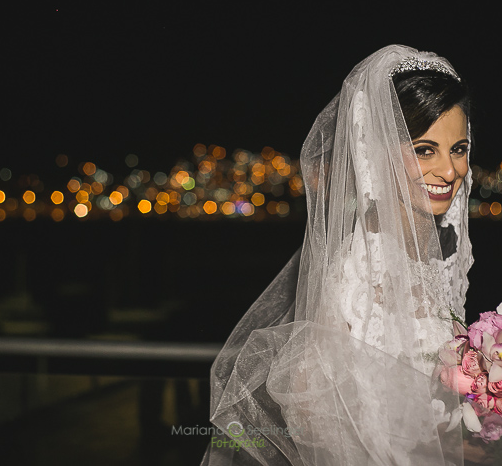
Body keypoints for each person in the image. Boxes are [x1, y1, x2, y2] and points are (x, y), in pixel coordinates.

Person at [200, 45, 472, 465]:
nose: (450, 170)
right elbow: (319, 424)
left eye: (458, 148)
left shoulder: (437, 258)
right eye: (424, 149)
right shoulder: (356, 274)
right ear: (376, 152)